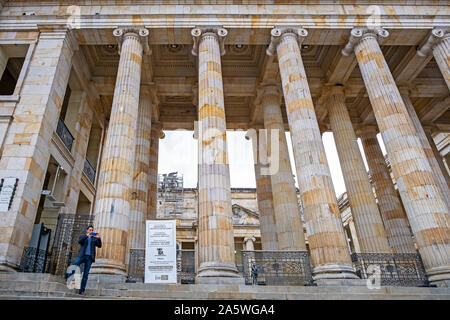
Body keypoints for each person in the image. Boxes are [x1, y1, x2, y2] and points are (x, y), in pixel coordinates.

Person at [66, 225, 101, 295]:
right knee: (74, 266)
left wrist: (99, 238)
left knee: (85, 274)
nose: (91, 231)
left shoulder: (94, 239)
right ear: (87, 230)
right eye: (90, 230)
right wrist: (87, 236)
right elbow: (79, 241)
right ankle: (68, 280)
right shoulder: (83, 236)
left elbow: (99, 245)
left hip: (89, 258)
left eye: (92, 230)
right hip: (81, 255)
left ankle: (82, 290)